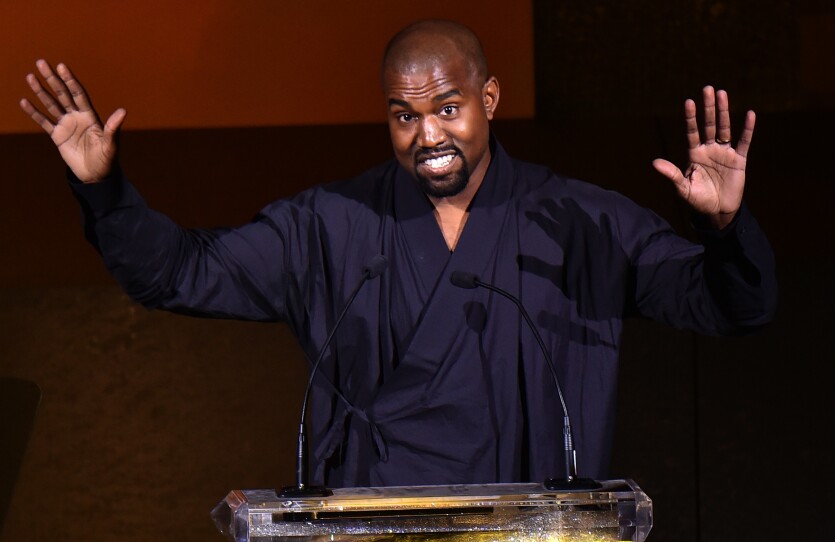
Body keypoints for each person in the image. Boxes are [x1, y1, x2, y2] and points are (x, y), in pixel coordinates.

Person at [19, 20, 776, 488]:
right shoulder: (329, 225)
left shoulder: (581, 220)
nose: (427, 136)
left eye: (447, 108)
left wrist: (725, 227)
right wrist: (105, 189)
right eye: (404, 116)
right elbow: (175, 274)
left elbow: (732, 306)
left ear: (489, 99)